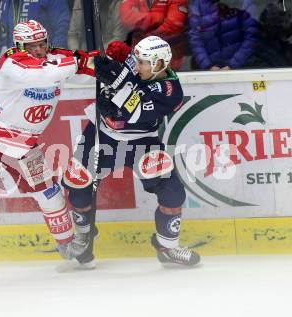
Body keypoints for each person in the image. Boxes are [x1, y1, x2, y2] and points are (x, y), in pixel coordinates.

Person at [0, 19, 97, 293]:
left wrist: (105, 64)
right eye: (31, 45)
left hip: (25, 145)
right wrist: (76, 61)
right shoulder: (10, 63)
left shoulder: (56, 58)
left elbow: (85, 72)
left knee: (49, 192)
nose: (38, 49)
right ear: (19, 45)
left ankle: (67, 244)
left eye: (41, 43)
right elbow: (40, 75)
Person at [62, 36, 201, 268]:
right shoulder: (135, 59)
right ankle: (85, 234)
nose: (135, 66)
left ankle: (167, 247)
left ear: (158, 65)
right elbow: (93, 66)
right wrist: (97, 62)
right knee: (78, 183)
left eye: (142, 63)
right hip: (102, 133)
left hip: (141, 141)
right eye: (135, 60)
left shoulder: (170, 91)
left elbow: (133, 113)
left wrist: (117, 83)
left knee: (173, 194)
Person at [188, 0, 258, 71]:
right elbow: (195, 39)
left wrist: (233, 64)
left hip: (239, 70)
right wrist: (207, 65)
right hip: (207, 71)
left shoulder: (243, 3)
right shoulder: (198, 4)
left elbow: (251, 37)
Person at [119, 0, 188, 70]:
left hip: (167, 61)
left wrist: (145, 33)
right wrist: (156, 18)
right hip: (138, 60)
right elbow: (126, 18)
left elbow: (173, 25)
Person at [0, 0, 71, 55]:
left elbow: (62, 29)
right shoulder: (5, 2)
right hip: (14, 62)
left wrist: (54, 56)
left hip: (42, 62)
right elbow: (4, 31)